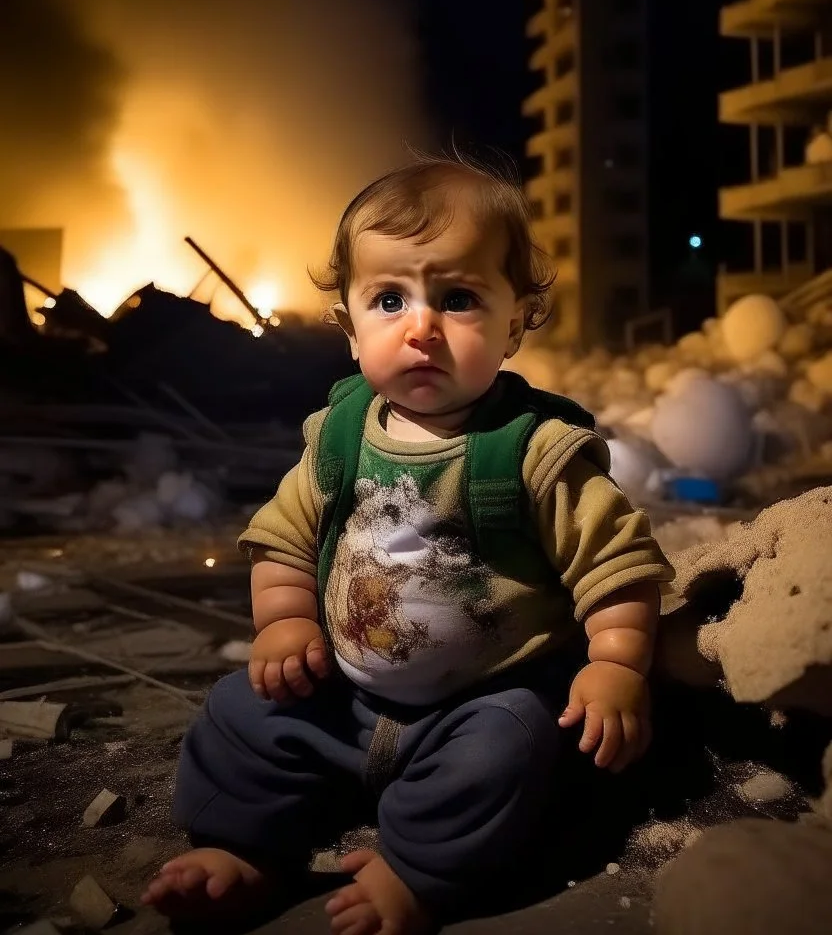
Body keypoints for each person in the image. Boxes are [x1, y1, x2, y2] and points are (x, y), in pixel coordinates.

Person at [142, 154, 674, 935]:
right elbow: (284, 539)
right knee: (236, 715)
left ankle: (423, 874)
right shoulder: (337, 440)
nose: (420, 328)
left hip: (483, 699)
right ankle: (247, 854)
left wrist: (616, 664)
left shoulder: (533, 451)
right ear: (350, 330)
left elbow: (614, 563)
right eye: (389, 300)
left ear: (517, 320)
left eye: (458, 299)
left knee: (515, 751)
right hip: (348, 695)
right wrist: (286, 626)